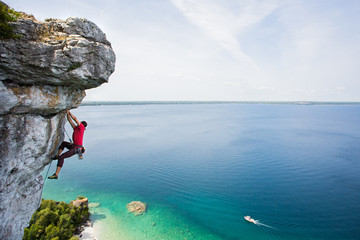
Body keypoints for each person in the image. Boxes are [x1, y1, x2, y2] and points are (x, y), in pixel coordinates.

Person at [48, 110, 87, 179]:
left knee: (62, 157)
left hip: (76, 149)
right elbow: (70, 121)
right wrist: (67, 114)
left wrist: (69, 112)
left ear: (81, 124)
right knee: (63, 143)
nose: (79, 123)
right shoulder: (76, 128)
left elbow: (75, 119)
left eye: (80, 123)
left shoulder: (82, 128)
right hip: (74, 146)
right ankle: (57, 156)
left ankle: (56, 174)